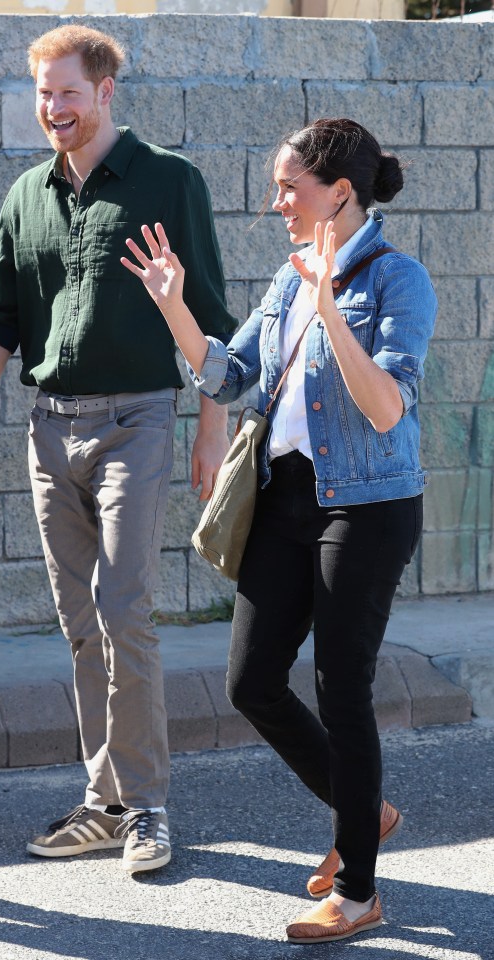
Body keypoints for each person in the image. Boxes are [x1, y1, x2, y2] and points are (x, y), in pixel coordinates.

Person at [121, 118, 437, 940]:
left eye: (289, 187)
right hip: (286, 497)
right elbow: (233, 378)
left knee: (342, 685)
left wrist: (332, 307)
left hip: (366, 505)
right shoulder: (287, 279)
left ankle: (361, 893)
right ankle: (364, 809)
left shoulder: (399, 281)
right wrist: (175, 308)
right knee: (252, 681)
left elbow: (387, 405)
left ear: (339, 192)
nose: (276, 203)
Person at [0, 24, 236, 874]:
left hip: (137, 420)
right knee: (79, 624)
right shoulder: (26, 195)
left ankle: (147, 807)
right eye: (43, 94)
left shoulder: (170, 181)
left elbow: (211, 317)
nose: (53, 108)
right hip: (50, 423)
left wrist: (211, 428)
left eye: (67, 92)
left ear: (105, 92)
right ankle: (105, 801)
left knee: (123, 610)